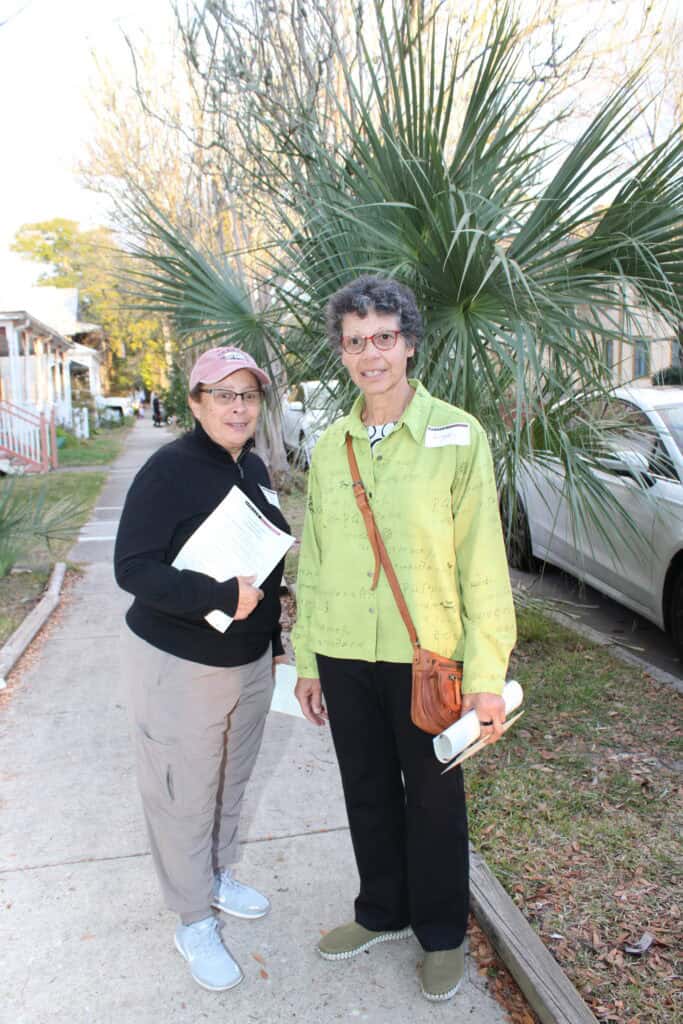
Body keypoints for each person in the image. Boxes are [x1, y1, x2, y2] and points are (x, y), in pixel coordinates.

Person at [292, 276, 516, 1002]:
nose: (371, 354)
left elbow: (482, 559)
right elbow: (315, 556)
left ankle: (441, 934)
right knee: (364, 789)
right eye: (355, 341)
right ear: (342, 352)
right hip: (344, 648)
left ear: (409, 343)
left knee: (433, 799)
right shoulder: (332, 445)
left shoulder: (457, 434)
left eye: (383, 338)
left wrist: (485, 675)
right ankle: (381, 910)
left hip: (428, 657)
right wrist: (306, 659)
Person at [115, 346, 289, 993]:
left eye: (248, 395)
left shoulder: (254, 467)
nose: (237, 407)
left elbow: (267, 565)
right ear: (195, 403)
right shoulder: (167, 471)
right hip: (180, 663)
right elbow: (132, 568)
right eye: (223, 395)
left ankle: (214, 876)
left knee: (229, 782)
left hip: (248, 662)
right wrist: (215, 596)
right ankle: (192, 918)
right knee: (183, 793)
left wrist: (273, 642)